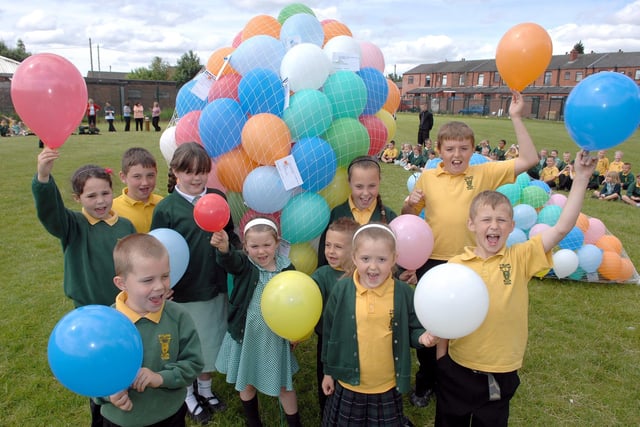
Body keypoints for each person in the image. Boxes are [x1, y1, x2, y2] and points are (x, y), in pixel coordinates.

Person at [434, 150, 597, 426]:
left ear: (511, 226)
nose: (493, 226)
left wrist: (580, 179)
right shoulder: (456, 264)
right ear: (471, 224)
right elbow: (442, 313)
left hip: (501, 370)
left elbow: (561, 228)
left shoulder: (520, 257)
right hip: (458, 366)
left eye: (501, 220)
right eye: (486, 220)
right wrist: (442, 359)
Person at [401, 90, 538, 409]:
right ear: (439, 150)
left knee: (467, 325)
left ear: (473, 150)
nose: (457, 154)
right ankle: (427, 381)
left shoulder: (483, 172)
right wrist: (408, 207)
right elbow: (411, 217)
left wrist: (516, 117)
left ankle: (457, 380)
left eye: (464, 148)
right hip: (432, 263)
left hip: (473, 264)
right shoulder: (429, 176)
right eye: (450, 149)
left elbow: (530, 160)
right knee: (430, 328)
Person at [32, 147, 136, 426]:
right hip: (90, 314)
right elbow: (50, 211)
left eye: (105, 193)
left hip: (125, 312)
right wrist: (43, 176)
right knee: (99, 373)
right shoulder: (73, 225)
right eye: (91, 196)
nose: (100, 201)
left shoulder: (125, 226)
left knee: (126, 364)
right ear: (78, 199)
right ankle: (99, 417)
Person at [151, 142, 240, 424]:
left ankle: (206, 389)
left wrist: (227, 246)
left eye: (202, 171)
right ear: (176, 171)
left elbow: (231, 236)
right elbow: (158, 251)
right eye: (189, 172)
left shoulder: (216, 197)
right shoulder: (166, 208)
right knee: (188, 346)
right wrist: (162, 285)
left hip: (214, 286)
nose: (196, 178)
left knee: (211, 343)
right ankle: (187, 395)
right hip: (184, 293)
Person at [321, 223, 438, 427]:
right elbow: (330, 334)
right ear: (354, 257)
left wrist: (421, 337)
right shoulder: (342, 290)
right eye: (366, 259)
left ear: (394, 259)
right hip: (349, 384)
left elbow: (413, 327)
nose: (373, 267)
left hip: (386, 386)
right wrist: (328, 372)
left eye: (382, 259)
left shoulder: (402, 293)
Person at [96, 233, 203, 427]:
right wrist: (108, 394)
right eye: (147, 280)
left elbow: (194, 363)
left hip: (169, 415)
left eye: (165, 276)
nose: (159, 286)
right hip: (121, 420)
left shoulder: (178, 316)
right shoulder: (105, 324)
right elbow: (91, 374)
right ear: (122, 283)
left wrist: (160, 377)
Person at [211, 218, 302, 427]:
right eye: (254, 246)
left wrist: (295, 330)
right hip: (248, 334)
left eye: (267, 245)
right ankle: (253, 422)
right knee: (247, 380)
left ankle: (294, 423)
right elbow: (230, 261)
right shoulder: (245, 264)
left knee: (283, 386)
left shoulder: (286, 268)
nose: (261, 252)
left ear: (277, 244)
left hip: (275, 337)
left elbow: (296, 302)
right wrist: (225, 249)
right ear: (245, 247)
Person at [311, 217, 359, 417]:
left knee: (352, 383)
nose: (330, 251)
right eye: (328, 245)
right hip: (328, 341)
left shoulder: (362, 274)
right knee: (327, 381)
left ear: (355, 249)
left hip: (357, 341)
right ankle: (328, 415)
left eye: (338, 247)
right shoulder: (322, 275)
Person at [317, 155, 397, 267]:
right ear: (349, 182)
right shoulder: (337, 214)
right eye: (359, 186)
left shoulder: (389, 217)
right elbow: (323, 259)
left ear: (379, 181)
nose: (365, 193)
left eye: (372, 186)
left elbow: (395, 259)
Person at [112, 147, 164, 233]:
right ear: (123, 177)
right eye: (137, 176)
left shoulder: (161, 203)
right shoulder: (113, 209)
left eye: (150, 175)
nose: (145, 182)